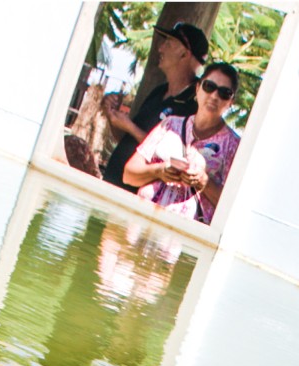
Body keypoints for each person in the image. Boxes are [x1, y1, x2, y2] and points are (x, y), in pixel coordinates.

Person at [122, 62, 242, 225]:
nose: (214, 96)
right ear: (197, 88)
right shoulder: (170, 125)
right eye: (209, 86)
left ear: (231, 102)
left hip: (184, 237)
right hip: (140, 222)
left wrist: (204, 182)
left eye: (224, 93)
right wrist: (159, 171)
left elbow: (232, 209)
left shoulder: (233, 145)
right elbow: (128, 175)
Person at [100, 22, 208, 191]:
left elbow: (173, 158)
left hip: (138, 199)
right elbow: (127, 141)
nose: (160, 48)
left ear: (184, 54)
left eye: (169, 43)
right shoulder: (159, 92)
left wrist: (130, 127)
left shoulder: (193, 105)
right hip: (111, 185)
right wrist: (114, 118)